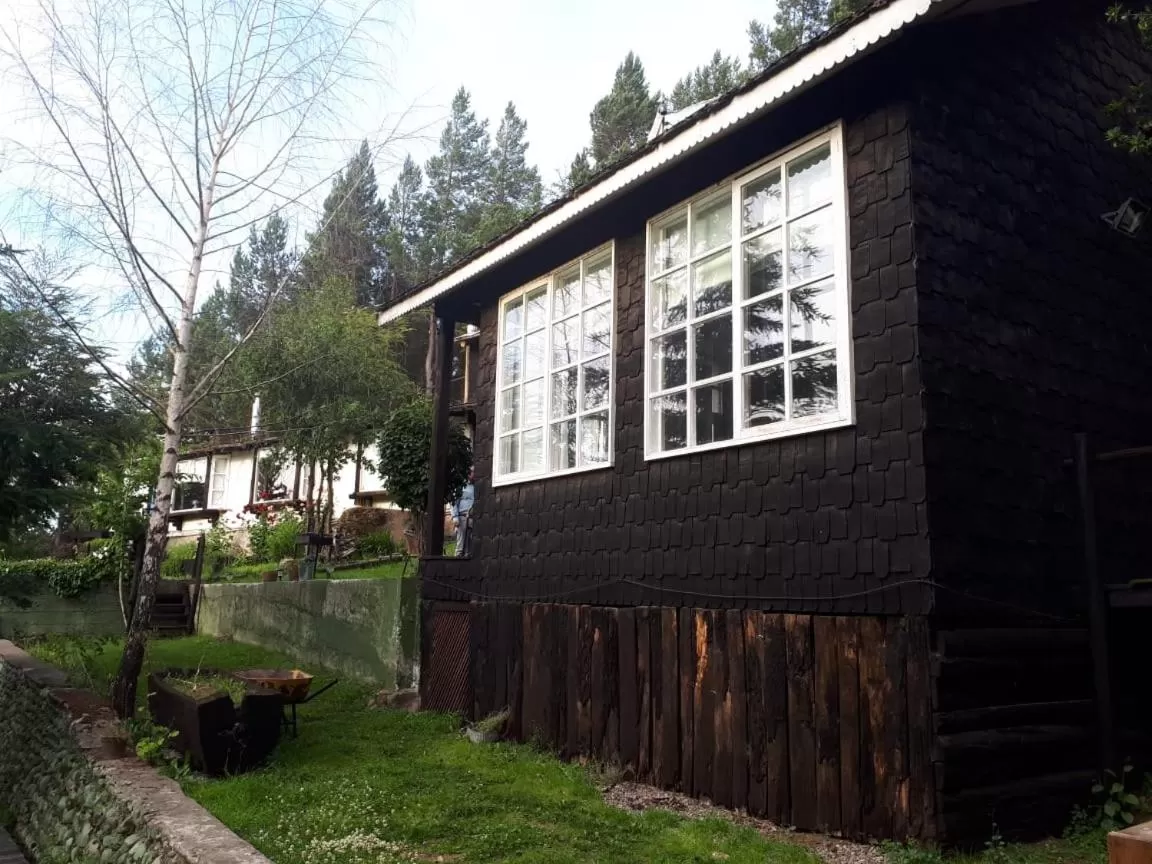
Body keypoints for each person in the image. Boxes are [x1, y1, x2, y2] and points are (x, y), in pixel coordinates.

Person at [451, 468, 475, 557]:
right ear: (469, 474)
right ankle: (456, 564)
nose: (475, 474)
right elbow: (454, 503)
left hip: (472, 518)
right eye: (474, 472)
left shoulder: (475, 486)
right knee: (460, 545)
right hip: (462, 517)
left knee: (470, 545)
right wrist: (455, 517)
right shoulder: (461, 486)